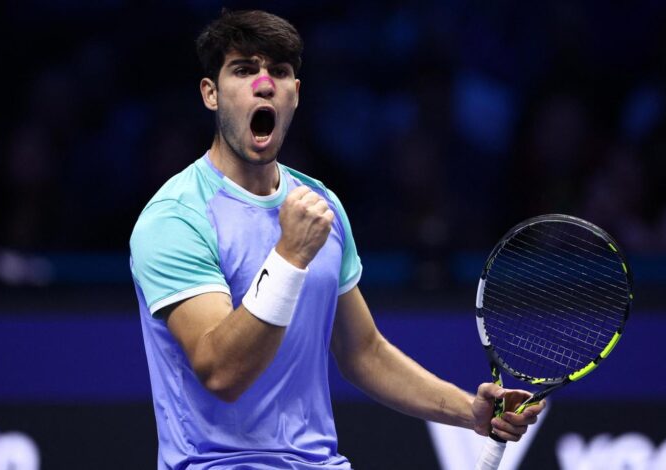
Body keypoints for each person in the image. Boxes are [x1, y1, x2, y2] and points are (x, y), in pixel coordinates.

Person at [130, 9, 544, 469]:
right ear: (211, 94)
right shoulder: (176, 218)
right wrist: (288, 257)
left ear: (294, 94)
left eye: (279, 72)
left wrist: (469, 411)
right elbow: (221, 371)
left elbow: (362, 351)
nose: (263, 84)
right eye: (244, 70)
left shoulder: (320, 205)